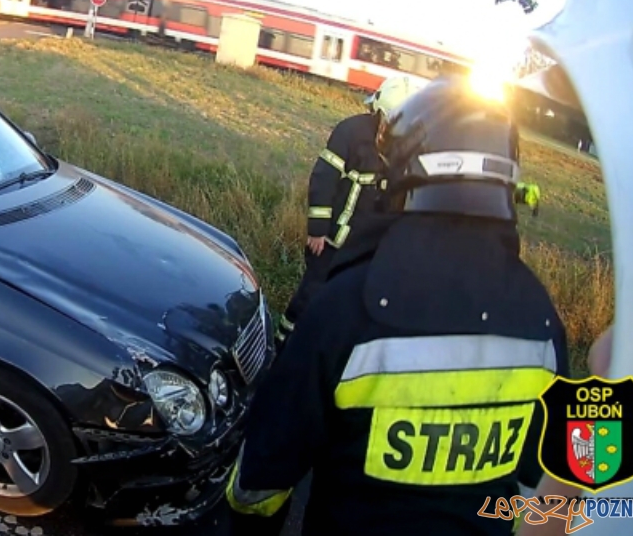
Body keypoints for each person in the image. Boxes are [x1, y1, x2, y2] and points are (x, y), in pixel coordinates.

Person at [226, 74, 571, 535]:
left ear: (404, 176)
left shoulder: (348, 307)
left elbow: (261, 480)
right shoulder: (542, 322)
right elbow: (543, 483)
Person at [276, 74, 428, 343]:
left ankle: (320, 352)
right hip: (334, 243)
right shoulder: (351, 131)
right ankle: (282, 346)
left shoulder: (408, 148)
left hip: (370, 249)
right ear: (379, 112)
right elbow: (324, 178)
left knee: (349, 307)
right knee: (311, 295)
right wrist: (317, 230)